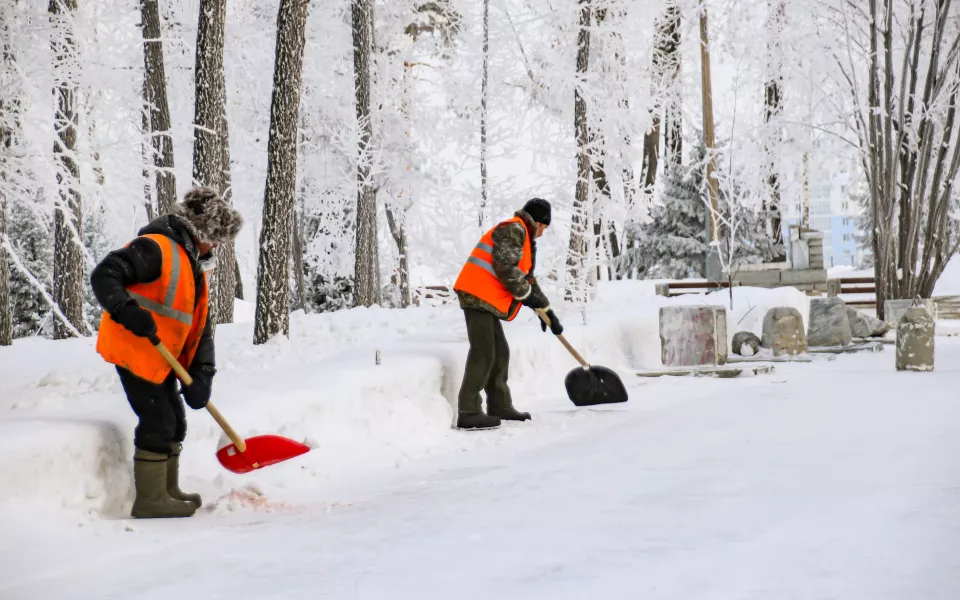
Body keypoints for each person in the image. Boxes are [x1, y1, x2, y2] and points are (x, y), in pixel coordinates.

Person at [91, 188, 243, 518]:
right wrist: (124, 309)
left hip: (161, 356)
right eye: (214, 239)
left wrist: (203, 373)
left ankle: (166, 490)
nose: (216, 246)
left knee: (174, 420)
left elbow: (198, 328)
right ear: (199, 231)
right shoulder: (155, 248)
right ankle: (150, 501)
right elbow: (106, 274)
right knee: (158, 419)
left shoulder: (193, 266)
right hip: (135, 347)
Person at [452, 198, 563, 430]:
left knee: (500, 352)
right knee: (483, 352)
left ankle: (500, 405)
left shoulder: (523, 237)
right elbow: (506, 268)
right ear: (537, 222)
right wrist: (527, 296)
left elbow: (526, 279)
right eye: (543, 227)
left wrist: (546, 310)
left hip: (486, 299)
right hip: (476, 294)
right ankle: (468, 411)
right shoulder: (513, 229)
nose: (543, 233)